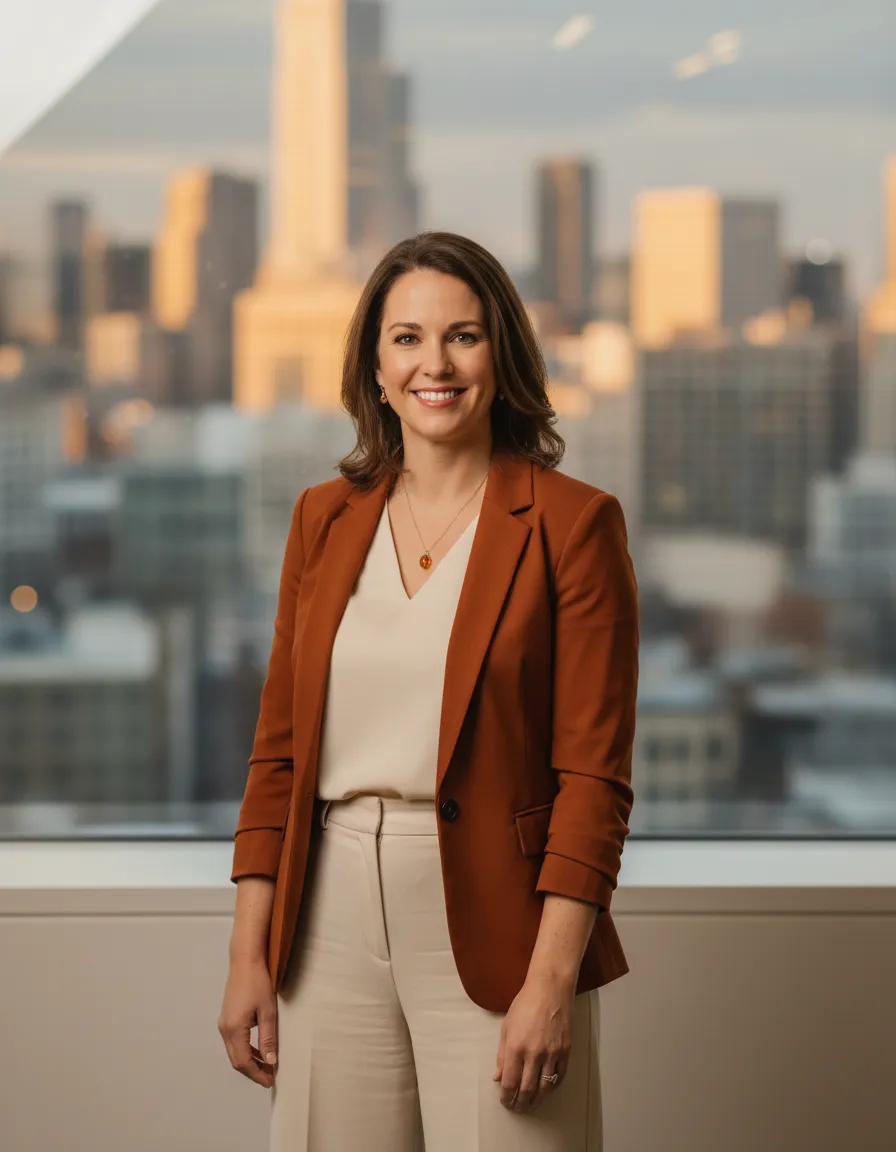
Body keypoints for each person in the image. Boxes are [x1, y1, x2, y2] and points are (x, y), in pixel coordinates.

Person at [218, 231, 639, 1151]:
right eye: (406, 338)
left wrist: (551, 981)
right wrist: (249, 951)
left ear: (502, 357)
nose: (434, 365)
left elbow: (594, 784)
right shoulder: (322, 519)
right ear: (375, 368)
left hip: (502, 924)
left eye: (464, 336)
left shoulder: (574, 526)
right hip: (324, 920)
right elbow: (278, 754)